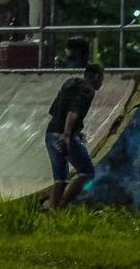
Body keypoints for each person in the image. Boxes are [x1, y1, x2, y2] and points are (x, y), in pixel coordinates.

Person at [45, 63, 105, 208]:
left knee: (60, 179)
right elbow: (73, 112)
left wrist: (76, 130)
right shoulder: (88, 90)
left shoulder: (69, 84)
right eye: (102, 79)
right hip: (65, 137)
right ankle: (63, 205)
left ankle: (53, 213)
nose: (101, 83)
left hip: (50, 133)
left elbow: (52, 110)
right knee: (87, 172)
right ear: (96, 76)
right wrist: (67, 135)